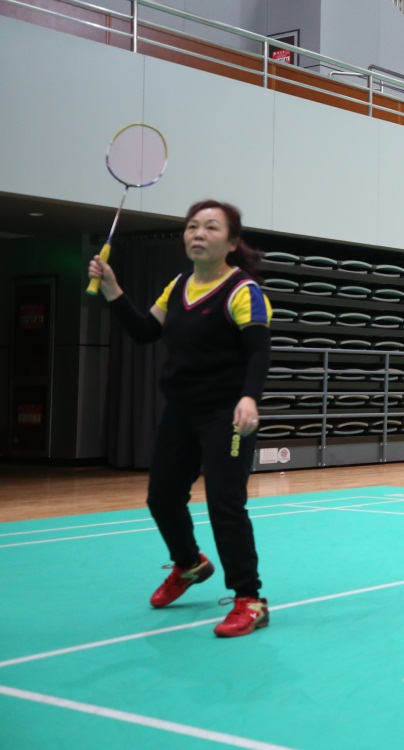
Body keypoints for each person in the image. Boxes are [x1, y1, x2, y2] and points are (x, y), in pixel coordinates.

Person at [87, 200, 272, 637]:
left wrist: (249, 397)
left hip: (226, 415)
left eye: (211, 227)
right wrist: (113, 289)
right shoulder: (178, 285)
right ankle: (189, 564)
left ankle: (250, 599)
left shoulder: (243, 291)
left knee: (225, 504)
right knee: (162, 497)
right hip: (181, 411)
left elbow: (258, 352)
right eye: (192, 227)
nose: (198, 234)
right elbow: (145, 332)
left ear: (232, 241)